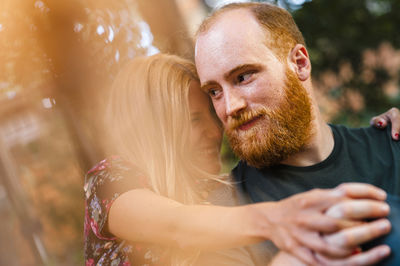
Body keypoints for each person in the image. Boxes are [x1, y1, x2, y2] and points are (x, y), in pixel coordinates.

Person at [194, 2, 400, 265]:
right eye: (214, 91)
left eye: (243, 77)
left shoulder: (391, 146)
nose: (230, 106)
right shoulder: (224, 212)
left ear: (300, 64)